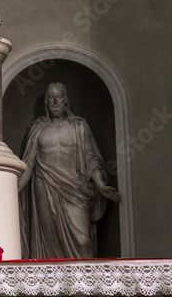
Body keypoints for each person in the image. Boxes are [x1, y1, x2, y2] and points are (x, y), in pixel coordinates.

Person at [18, 83, 120, 258]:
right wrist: (15, 189)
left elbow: (91, 159)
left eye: (59, 97)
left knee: (83, 241)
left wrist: (101, 185)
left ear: (66, 101)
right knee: (49, 240)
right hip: (45, 188)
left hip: (76, 190)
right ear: (46, 102)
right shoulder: (38, 130)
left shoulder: (80, 128)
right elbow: (29, 163)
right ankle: (50, 283)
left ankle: (86, 283)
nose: (55, 101)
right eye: (51, 97)